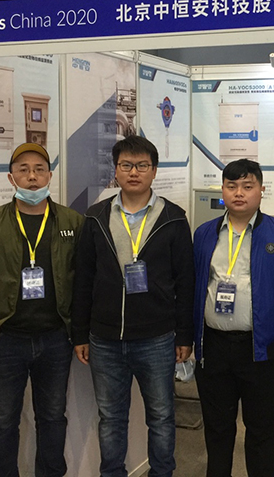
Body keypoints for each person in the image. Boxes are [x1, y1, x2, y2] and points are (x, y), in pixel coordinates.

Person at [0, 142, 84, 477]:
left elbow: (85, 278)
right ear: (11, 178)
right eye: (23, 169)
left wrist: (76, 328)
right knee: (1, 421)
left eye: (39, 169)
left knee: (53, 418)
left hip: (55, 339)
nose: (32, 176)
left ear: (49, 176)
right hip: (6, 339)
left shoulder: (71, 221)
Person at [72, 135, 194, 477]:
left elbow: (186, 282)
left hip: (157, 337)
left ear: (154, 170)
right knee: (111, 418)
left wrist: (184, 335)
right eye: (126, 165)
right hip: (105, 339)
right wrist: (80, 333)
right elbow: (83, 279)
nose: (134, 172)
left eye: (142, 165)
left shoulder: (173, 218)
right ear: (116, 171)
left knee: (161, 417)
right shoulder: (96, 217)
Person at [192, 159, 274, 477]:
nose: (239, 193)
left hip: (260, 349)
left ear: (261, 190)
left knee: (262, 429)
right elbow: (193, 287)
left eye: (247, 186)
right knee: (217, 428)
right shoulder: (204, 234)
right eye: (231, 186)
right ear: (223, 191)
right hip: (214, 347)